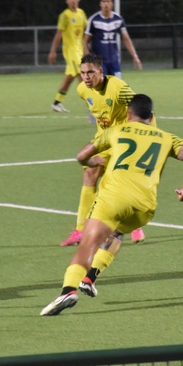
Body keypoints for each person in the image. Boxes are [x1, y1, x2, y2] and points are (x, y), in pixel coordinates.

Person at [42, 94, 183, 316]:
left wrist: (93, 161)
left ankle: (68, 291)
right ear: (152, 116)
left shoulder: (117, 130)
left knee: (87, 244)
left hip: (113, 199)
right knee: (117, 232)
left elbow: (81, 156)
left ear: (128, 113)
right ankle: (91, 278)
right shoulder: (166, 137)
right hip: (144, 207)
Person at [59, 54, 147, 247]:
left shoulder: (118, 88)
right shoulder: (83, 90)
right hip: (104, 140)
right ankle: (80, 231)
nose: (86, 77)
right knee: (90, 173)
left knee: (120, 184)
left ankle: (134, 225)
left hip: (124, 142)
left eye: (90, 72)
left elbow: (142, 112)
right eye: (82, 73)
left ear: (101, 71)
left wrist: (146, 137)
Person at [83, 0, 142, 78]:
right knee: (103, 88)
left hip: (114, 61)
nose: (106, 4)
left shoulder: (118, 19)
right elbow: (85, 41)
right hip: (99, 62)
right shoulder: (94, 19)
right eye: (103, 1)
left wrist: (135, 56)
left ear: (112, 4)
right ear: (100, 4)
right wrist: (88, 59)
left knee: (117, 87)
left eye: (108, 1)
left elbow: (126, 38)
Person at [48, 0, 88, 113]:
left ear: (78, 0)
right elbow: (58, 34)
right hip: (70, 52)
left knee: (69, 78)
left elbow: (85, 33)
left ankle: (57, 102)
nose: (72, 0)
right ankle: (91, 103)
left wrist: (86, 48)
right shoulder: (64, 15)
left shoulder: (81, 13)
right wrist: (53, 51)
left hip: (80, 50)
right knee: (82, 75)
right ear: (66, 1)